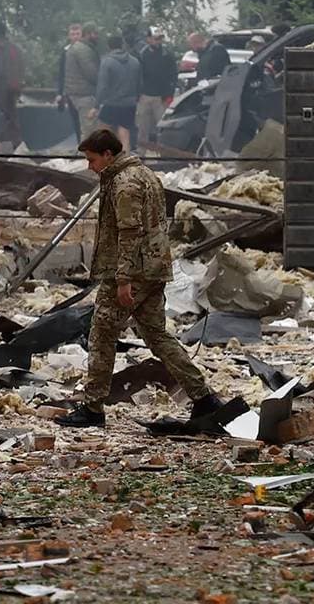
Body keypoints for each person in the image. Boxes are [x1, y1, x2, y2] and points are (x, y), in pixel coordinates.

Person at [58, 128, 220, 428]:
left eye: (92, 160)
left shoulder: (125, 183)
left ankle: (92, 408)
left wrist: (123, 280)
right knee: (157, 335)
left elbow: (129, 233)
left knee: (103, 335)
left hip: (132, 272)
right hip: (153, 269)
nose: (89, 166)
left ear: (108, 154)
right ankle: (204, 397)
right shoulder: (145, 174)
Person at [95, 35, 141, 148]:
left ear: (108, 46)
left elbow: (103, 86)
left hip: (112, 103)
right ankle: (125, 161)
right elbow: (140, 84)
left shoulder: (107, 62)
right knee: (124, 134)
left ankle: (104, 160)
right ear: (122, 45)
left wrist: (96, 105)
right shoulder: (135, 62)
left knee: (103, 130)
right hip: (129, 104)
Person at [135, 26, 179, 145]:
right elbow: (137, 75)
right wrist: (138, 94)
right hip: (144, 96)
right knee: (142, 127)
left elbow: (173, 75)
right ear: (148, 39)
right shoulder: (142, 54)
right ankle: (141, 153)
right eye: (155, 38)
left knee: (162, 128)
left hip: (161, 97)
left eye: (160, 38)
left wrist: (169, 94)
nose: (158, 41)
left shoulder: (167, 55)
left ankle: (163, 154)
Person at [55, 24, 100, 138]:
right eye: (72, 34)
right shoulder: (67, 51)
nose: (75, 37)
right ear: (68, 36)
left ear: (82, 34)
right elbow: (61, 73)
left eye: (77, 34)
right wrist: (60, 92)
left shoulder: (83, 49)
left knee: (84, 124)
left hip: (78, 91)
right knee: (79, 122)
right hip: (75, 92)